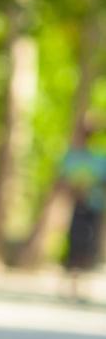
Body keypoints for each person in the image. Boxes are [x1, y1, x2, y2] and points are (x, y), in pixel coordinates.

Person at [59, 121, 106, 302]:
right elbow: (62, 182)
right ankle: (71, 286)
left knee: (89, 246)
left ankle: (83, 287)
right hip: (76, 207)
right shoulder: (72, 158)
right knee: (74, 244)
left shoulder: (100, 160)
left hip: (94, 207)